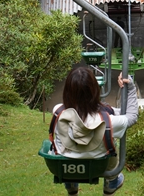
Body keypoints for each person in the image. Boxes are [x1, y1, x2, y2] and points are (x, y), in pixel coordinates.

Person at [49, 67, 138, 196]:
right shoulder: (108, 121)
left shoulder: (58, 112)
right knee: (112, 147)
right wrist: (130, 88)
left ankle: (71, 184)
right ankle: (111, 182)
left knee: (62, 145)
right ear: (95, 90)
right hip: (100, 163)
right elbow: (132, 116)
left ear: (67, 91)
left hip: (67, 165)